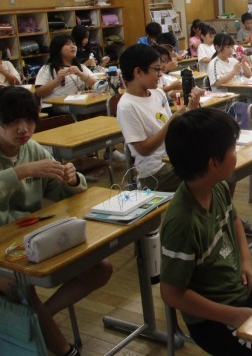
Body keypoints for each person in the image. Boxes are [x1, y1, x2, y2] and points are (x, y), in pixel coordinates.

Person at [160, 108, 252, 355]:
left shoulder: (218, 187)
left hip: (242, 288)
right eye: (233, 149)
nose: (237, 153)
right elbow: (171, 294)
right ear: (213, 163)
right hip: (214, 319)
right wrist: (233, 315)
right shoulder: (182, 223)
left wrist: (247, 262)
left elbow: (234, 221)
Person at [0, 86, 112, 356]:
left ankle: (37, 320)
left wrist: (72, 179)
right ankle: (64, 350)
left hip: (29, 238)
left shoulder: (32, 149)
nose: (23, 129)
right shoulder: (26, 157)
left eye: (29, 120)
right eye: (13, 121)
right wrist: (21, 172)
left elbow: (60, 189)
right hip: (6, 248)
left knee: (100, 269)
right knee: (22, 290)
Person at [116, 44, 203, 191]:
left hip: (172, 159)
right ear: (138, 72)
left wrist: (192, 110)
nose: (160, 74)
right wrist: (172, 122)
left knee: (218, 165)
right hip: (154, 172)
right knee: (209, 176)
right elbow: (144, 150)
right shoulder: (127, 106)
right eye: (156, 69)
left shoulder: (158, 94)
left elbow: (176, 133)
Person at [35, 34, 99, 101]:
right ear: (58, 49)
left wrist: (80, 74)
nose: (73, 46)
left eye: (74, 44)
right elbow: (39, 93)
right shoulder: (47, 68)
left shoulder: (80, 67)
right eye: (67, 44)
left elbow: (97, 85)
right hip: (53, 105)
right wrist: (57, 81)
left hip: (77, 104)